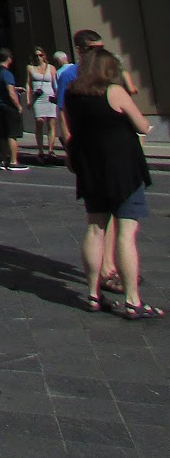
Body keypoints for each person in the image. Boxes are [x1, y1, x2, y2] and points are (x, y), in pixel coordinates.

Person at [63, 49, 162, 318]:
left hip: (91, 168)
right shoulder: (114, 91)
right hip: (123, 170)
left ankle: (93, 295)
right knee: (126, 233)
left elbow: (72, 127)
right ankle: (132, 301)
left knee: (95, 229)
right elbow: (141, 125)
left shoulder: (72, 94)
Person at [0, 47, 28, 171]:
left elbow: (1, 87)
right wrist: (18, 106)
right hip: (9, 107)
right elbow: (10, 93)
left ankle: (4, 160)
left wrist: (16, 88)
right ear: (9, 59)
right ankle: (13, 161)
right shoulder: (7, 73)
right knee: (12, 134)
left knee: (4, 135)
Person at [26, 47, 59, 164]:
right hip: (37, 98)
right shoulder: (30, 68)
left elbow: (55, 84)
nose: (38, 57)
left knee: (51, 123)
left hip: (49, 97)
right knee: (39, 121)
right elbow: (28, 84)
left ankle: (50, 149)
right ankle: (40, 150)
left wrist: (57, 97)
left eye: (40, 55)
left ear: (44, 56)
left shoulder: (51, 68)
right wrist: (28, 99)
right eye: (36, 55)